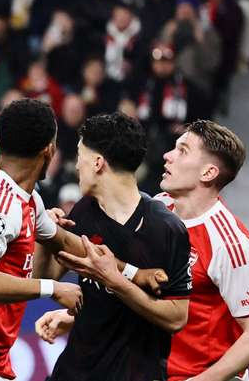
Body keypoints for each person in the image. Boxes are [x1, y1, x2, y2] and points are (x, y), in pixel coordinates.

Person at [0, 100, 166, 381]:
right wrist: (53, 289)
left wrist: (134, 273)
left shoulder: (27, 199)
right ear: (49, 149)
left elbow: (65, 242)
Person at [35, 112, 193, 381]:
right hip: (74, 371)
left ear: (98, 163)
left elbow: (176, 318)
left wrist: (115, 281)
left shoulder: (165, 228)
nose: (77, 166)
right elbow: (45, 276)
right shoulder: (84, 211)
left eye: (80, 156)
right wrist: (45, 234)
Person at [157, 120, 249, 380]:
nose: (167, 155)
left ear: (208, 173)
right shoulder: (159, 207)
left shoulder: (230, 244)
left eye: (182, 151)